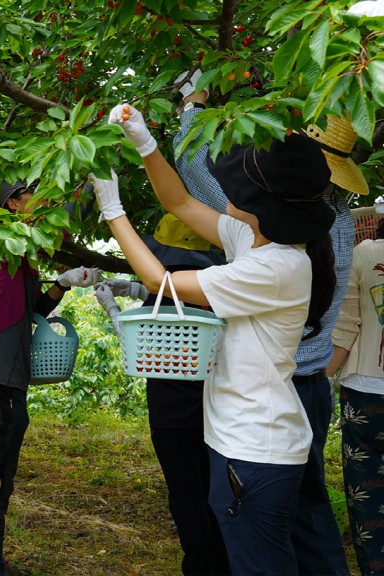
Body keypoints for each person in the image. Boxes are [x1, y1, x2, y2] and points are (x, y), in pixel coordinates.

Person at [102, 102, 338, 575]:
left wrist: (113, 208)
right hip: (245, 445)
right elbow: (181, 204)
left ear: (261, 205)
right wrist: (144, 143)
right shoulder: (255, 239)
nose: (225, 188)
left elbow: (158, 281)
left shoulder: (274, 267)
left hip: (255, 450)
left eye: (236, 185)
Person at [175, 75, 362, 575]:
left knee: (271, 524)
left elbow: (201, 182)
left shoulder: (282, 233)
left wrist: (193, 107)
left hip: (271, 392)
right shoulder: (333, 220)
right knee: (307, 517)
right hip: (307, 386)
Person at [0, 178, 99, 576]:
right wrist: (91, 185)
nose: (42, 204)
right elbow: (54, 219)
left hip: (9, 385)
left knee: (2, 480)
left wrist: (61, 284)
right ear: (11, 205)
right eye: (32, 197)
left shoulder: (21, 265)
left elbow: (35, 308)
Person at [94, 213, 230, 576]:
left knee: (185, 494)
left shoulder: (155, 306)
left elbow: (133, 344)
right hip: (215, 409)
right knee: (216, 490)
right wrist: (138, 290)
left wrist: (110, 304)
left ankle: (201, 565)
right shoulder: (219, 293)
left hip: (171, 415)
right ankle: (224, 561)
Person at [329, 219, 384, 575]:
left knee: (367, 499)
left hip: (366, 393)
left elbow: (347, 324)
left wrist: (323, 376)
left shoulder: (363, 255)